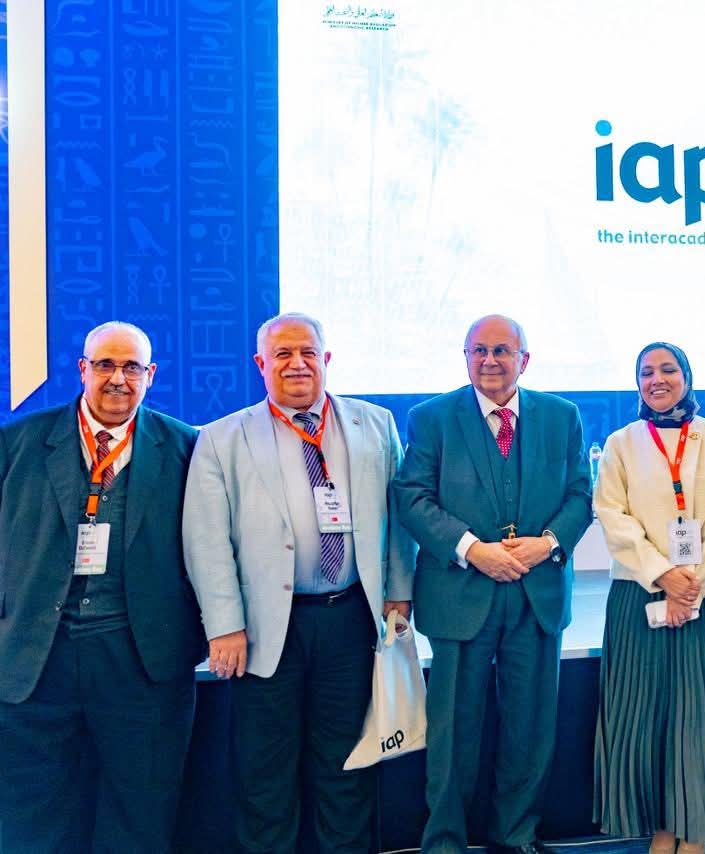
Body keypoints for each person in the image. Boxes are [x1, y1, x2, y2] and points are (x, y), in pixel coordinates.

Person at [183, 311, 415, 853]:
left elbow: (400, 518)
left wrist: (398, 592)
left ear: (326, 359)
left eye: (308, 352)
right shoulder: (221, 438)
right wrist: (224, 626)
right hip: (264, 628)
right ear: (260, 364)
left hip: (350, 618)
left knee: (348, 764)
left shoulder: (375, 424)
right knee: (264, 770)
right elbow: (206, 541)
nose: (297, 364)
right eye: (282, 354)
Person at [0, 321, 204, 852]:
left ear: (150, 375)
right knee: (31, 815)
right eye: (105, 365)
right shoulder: (17, 443)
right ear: (82, 369)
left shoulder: (188, 449)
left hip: (143, 660)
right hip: (34, 660)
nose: (118, 378)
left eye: (131, 367)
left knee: (140, 811)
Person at [394, 314, 592, 854]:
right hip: (460, 595)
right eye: (478, 350)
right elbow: (411, 497)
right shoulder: (431, 418)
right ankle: (444, 841)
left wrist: (547, 543)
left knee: (530, 728)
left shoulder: (562, 417)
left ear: (524, 360)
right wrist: (471, 549)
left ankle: (516, 835)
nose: (489, 360)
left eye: (502, 350)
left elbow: (581, 494)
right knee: (454, 731)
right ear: (465, 357)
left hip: (537, 594)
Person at [593, 342, 705, 854]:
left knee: (700, 713)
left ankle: (698, 829)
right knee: (646, 716)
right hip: (637, 594)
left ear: (687, 376)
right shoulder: (621, 443)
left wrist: (690, 586)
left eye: (668, 369)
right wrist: (663, 574)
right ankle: (661, 829)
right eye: (646, 372)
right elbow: (613, 516)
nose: (657, 379)